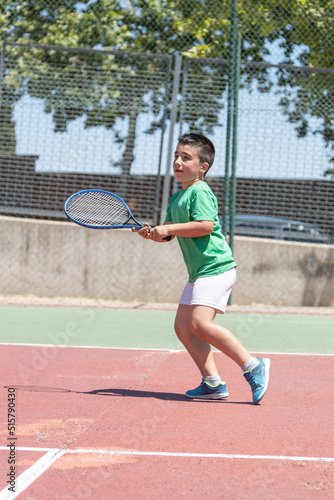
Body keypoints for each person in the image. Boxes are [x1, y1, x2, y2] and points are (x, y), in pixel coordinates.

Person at [132, 133, 270, 404]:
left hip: (216, 268)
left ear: (203, 167)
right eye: (176, 156)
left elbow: (205, 225)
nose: (178, 162)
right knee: (184, 328)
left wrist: (168, 228)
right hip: (199, 273)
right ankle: (213, 383)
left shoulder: (200, 191)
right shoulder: (177, 197)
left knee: (199, 324)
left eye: (186, 157)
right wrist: (153, 233)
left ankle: (253, 365)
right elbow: (170, 234)